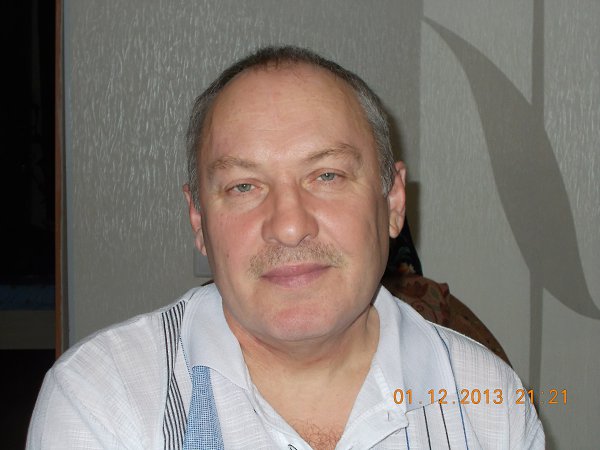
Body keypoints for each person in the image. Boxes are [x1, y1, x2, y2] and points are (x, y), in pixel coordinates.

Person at [27, 46, 544, 449]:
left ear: (392, 201)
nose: (290, 227)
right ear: (198, 220)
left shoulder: (491, 402)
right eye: (244, 186)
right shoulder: (100, 400)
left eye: (327, 175)